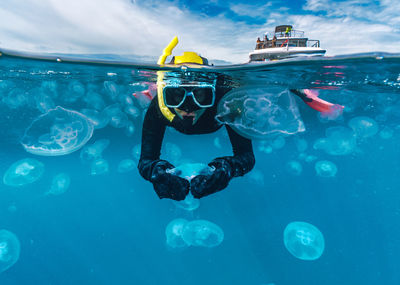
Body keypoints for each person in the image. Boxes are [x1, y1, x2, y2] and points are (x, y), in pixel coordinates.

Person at [138, 37, 255, 201]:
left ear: (213, 92)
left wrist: (224, 170)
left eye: (200, 95)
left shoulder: (226, 103)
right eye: (176, 95)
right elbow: (147, 160)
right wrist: (158, 173)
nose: (188, 107)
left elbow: (246, 156)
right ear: (166, 94)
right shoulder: (159, 106)